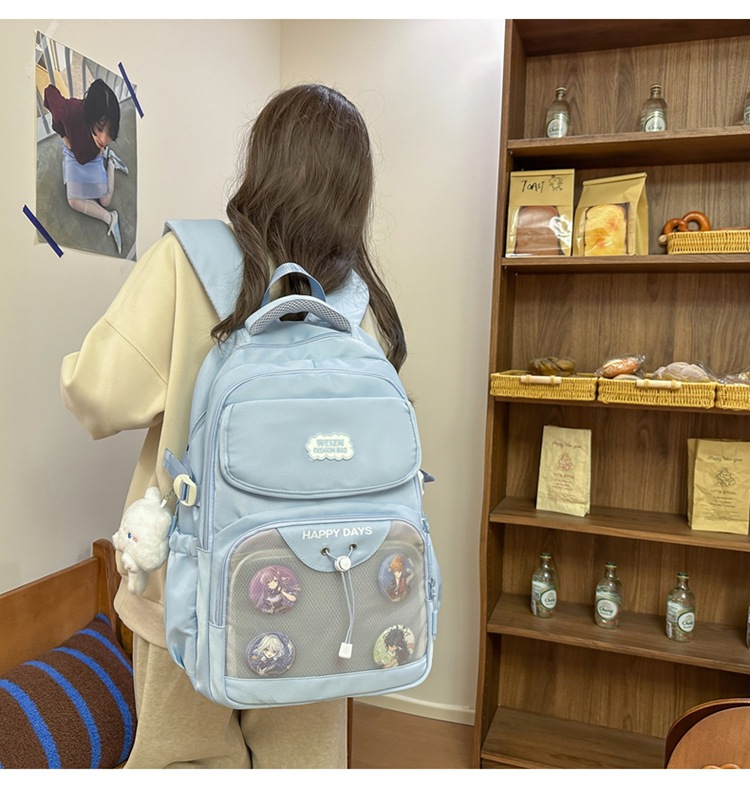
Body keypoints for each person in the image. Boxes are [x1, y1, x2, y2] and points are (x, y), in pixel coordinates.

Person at [60, 83, 407, 769]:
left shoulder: (187, 260)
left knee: (184, 765)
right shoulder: (358, 305)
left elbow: (95, 395)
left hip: (187, 593)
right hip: (320, 591)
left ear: (261, 161)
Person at [43, 78, 128, 255]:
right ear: (90, 118)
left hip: (95, 156)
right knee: (73, 201)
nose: (104, 139)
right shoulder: (71, 111)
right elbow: (49, 92)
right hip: (73, 154)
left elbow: (102, 138)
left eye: (110, 132)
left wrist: (100, 149)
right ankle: (110, 218)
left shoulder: (101, 140)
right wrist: (63, 135)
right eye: (99, 128)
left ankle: (111, 163)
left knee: (105, 200)